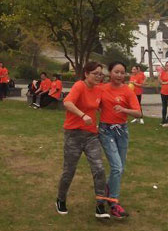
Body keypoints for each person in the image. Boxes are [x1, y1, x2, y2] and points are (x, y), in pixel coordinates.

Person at [56, 61, 110, 219]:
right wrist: (82, 115)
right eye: (95, 73)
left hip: (91, 135)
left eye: (101, 74)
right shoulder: (79, 86)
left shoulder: (99, 89)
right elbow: (67, 102)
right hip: (73, 134)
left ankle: (100, 205)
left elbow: (103, 104)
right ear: (86, 74)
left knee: (99, 168)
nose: (99, 77)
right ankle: (60, 199)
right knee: (69, 170)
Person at [99, 62, 143, 219]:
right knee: (117, 167)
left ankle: (106, 190)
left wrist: (124, 109)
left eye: (122, 72)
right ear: (110, 72)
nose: (119, 75)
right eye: (116, 72)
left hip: (122, 131)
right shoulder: (102, 88)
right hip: (106, 131)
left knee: (120, 168)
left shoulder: (127, 91)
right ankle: (114, 203)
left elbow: (138, 113)